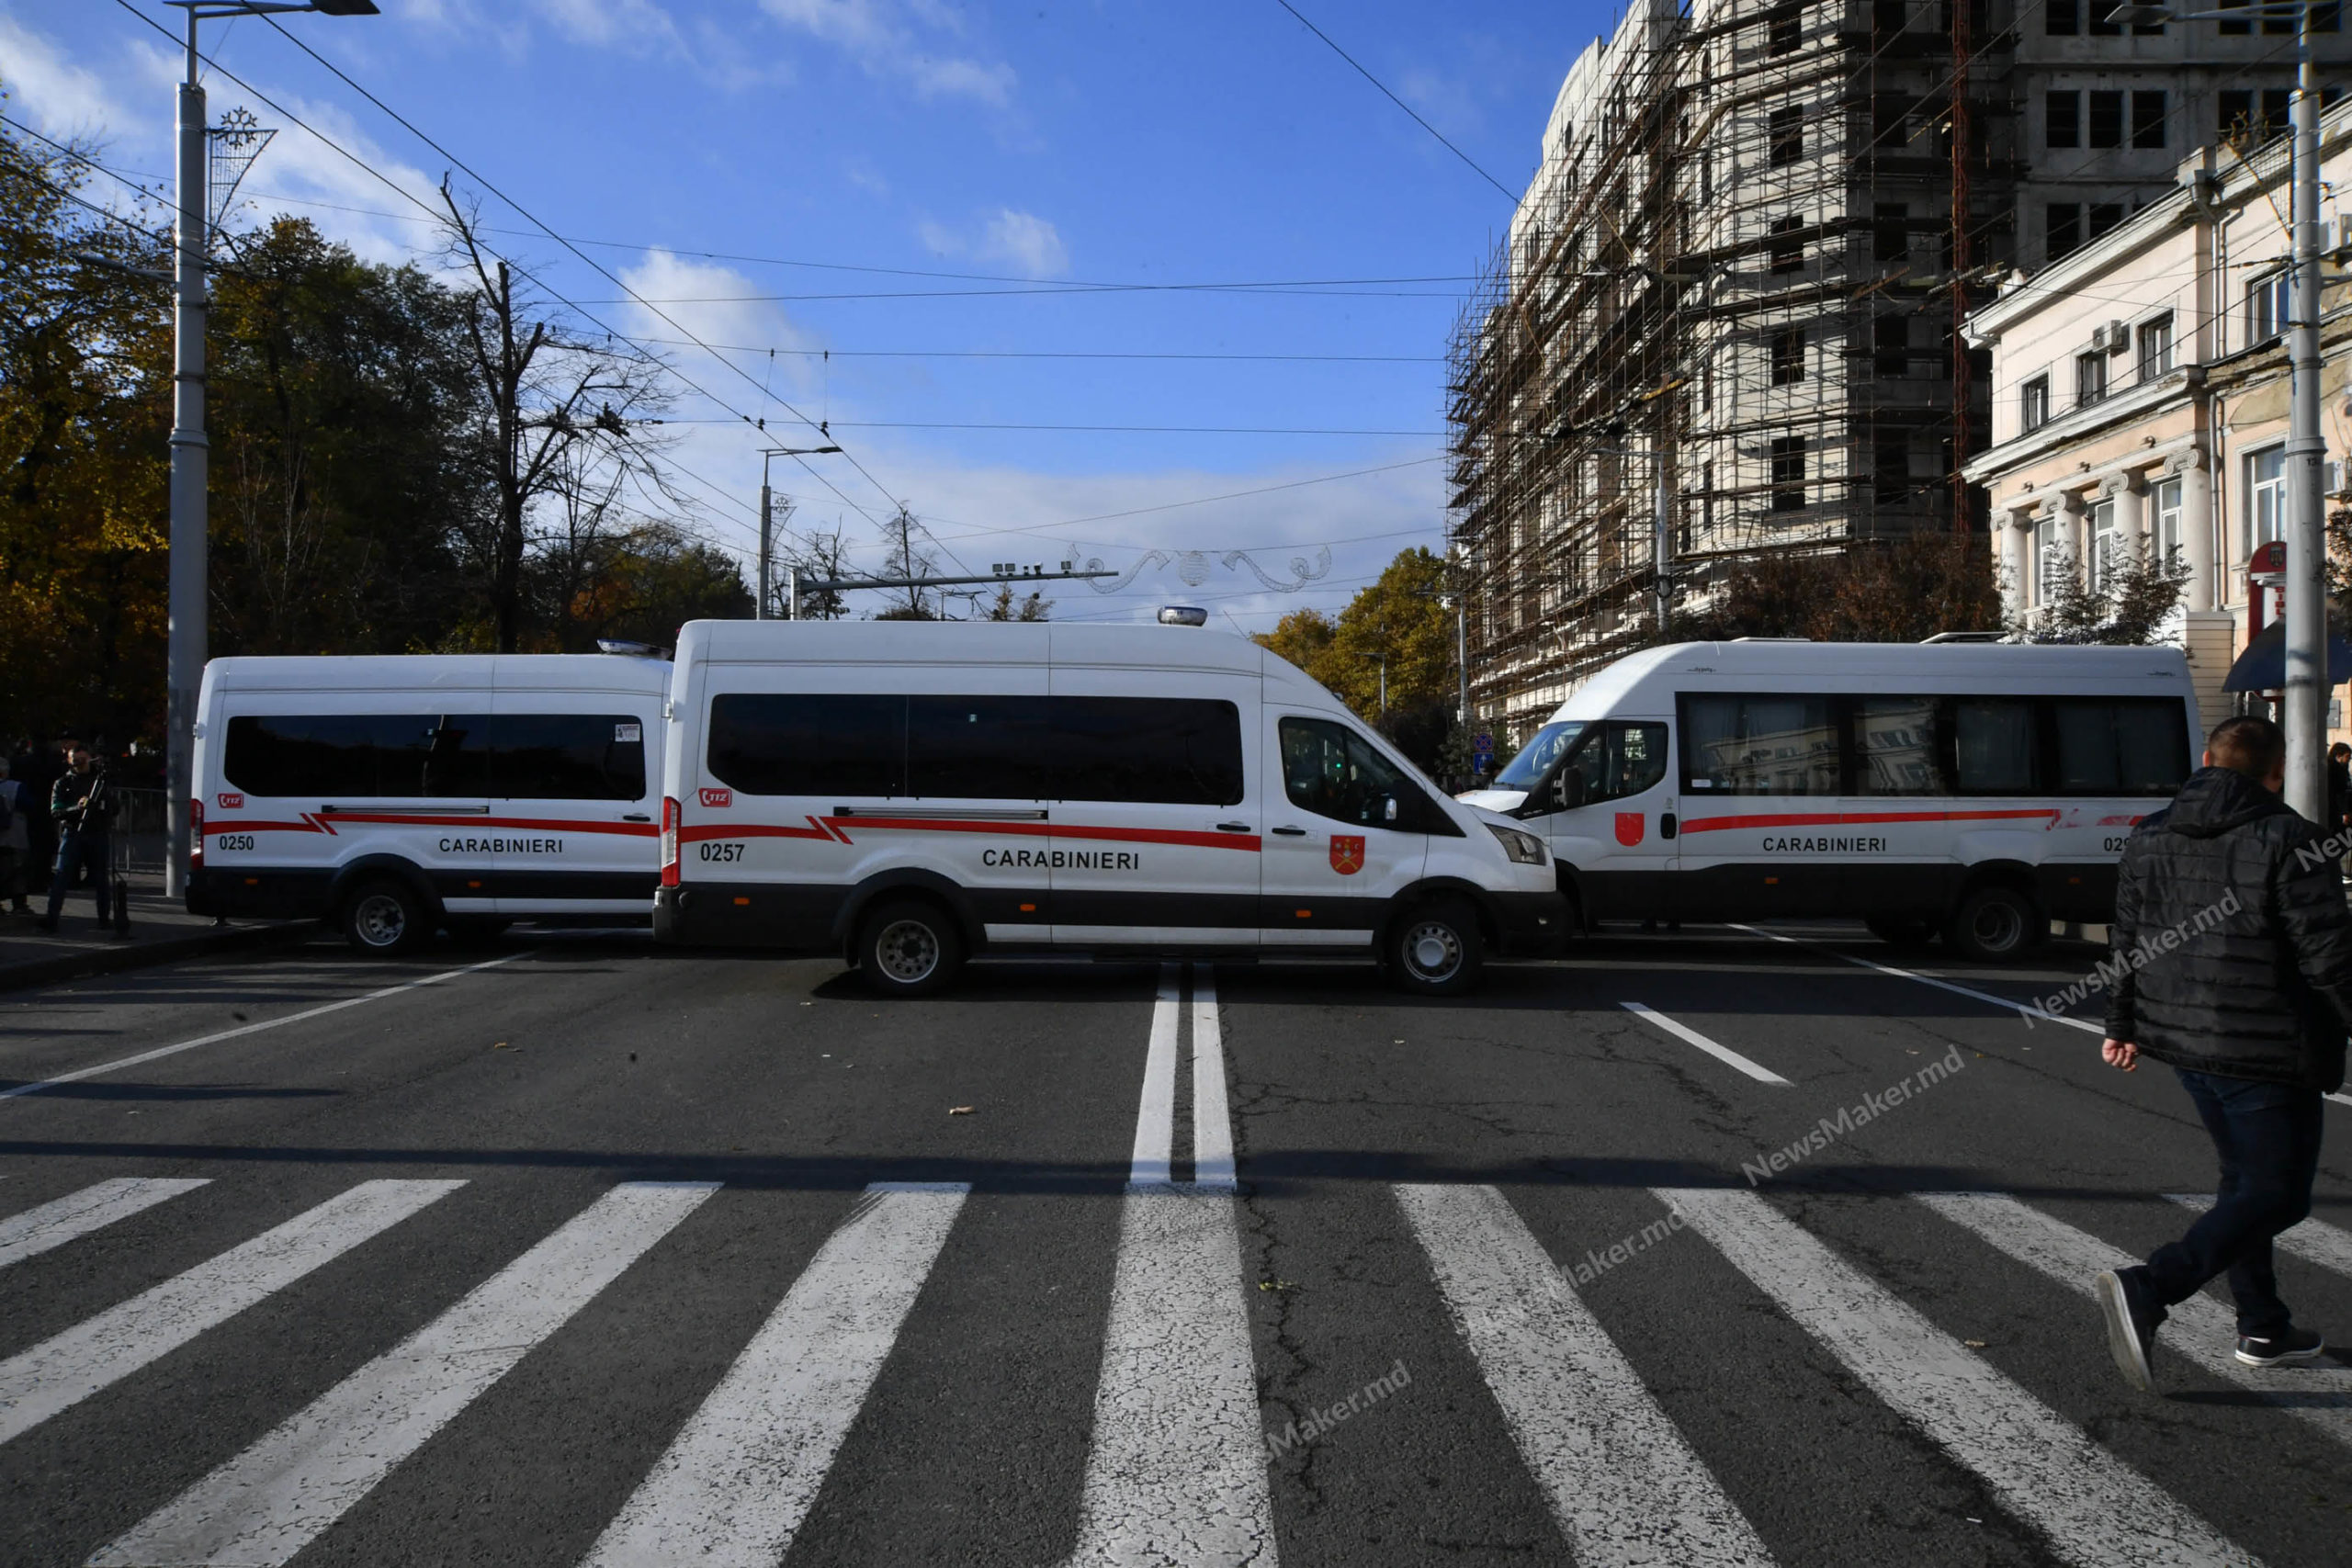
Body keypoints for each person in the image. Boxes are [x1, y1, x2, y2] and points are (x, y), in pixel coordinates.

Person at [2097, 714, 2351, 1391]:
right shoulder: (2297, 841)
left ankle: (2264, 1325)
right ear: (2275, 773)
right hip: (2268, 1048)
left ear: (2207, 758)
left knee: (2245, 1183)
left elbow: (2127, 939)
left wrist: (2120, 1022)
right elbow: (2330, 958)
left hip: (2184, 1043)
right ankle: (2151, 1286)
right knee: (2276, 1193)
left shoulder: (2150, 835)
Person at [38, 742, 119, 934]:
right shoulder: (63, 783)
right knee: (62, 876)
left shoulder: (101, 782)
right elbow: (56, 811)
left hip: (97, 833)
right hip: (73, 832)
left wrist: (102, 804)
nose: (78, 764)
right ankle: (52, 919)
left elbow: (115, 808)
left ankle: (104, 919)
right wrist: (77, 808)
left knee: (101, 879)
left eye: (82, 760)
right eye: (74, 761)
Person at [0, 757, 28, 915]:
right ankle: (19, 905)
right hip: (14, 837)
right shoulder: (16, 787)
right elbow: (28, 804)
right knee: (17, 870)